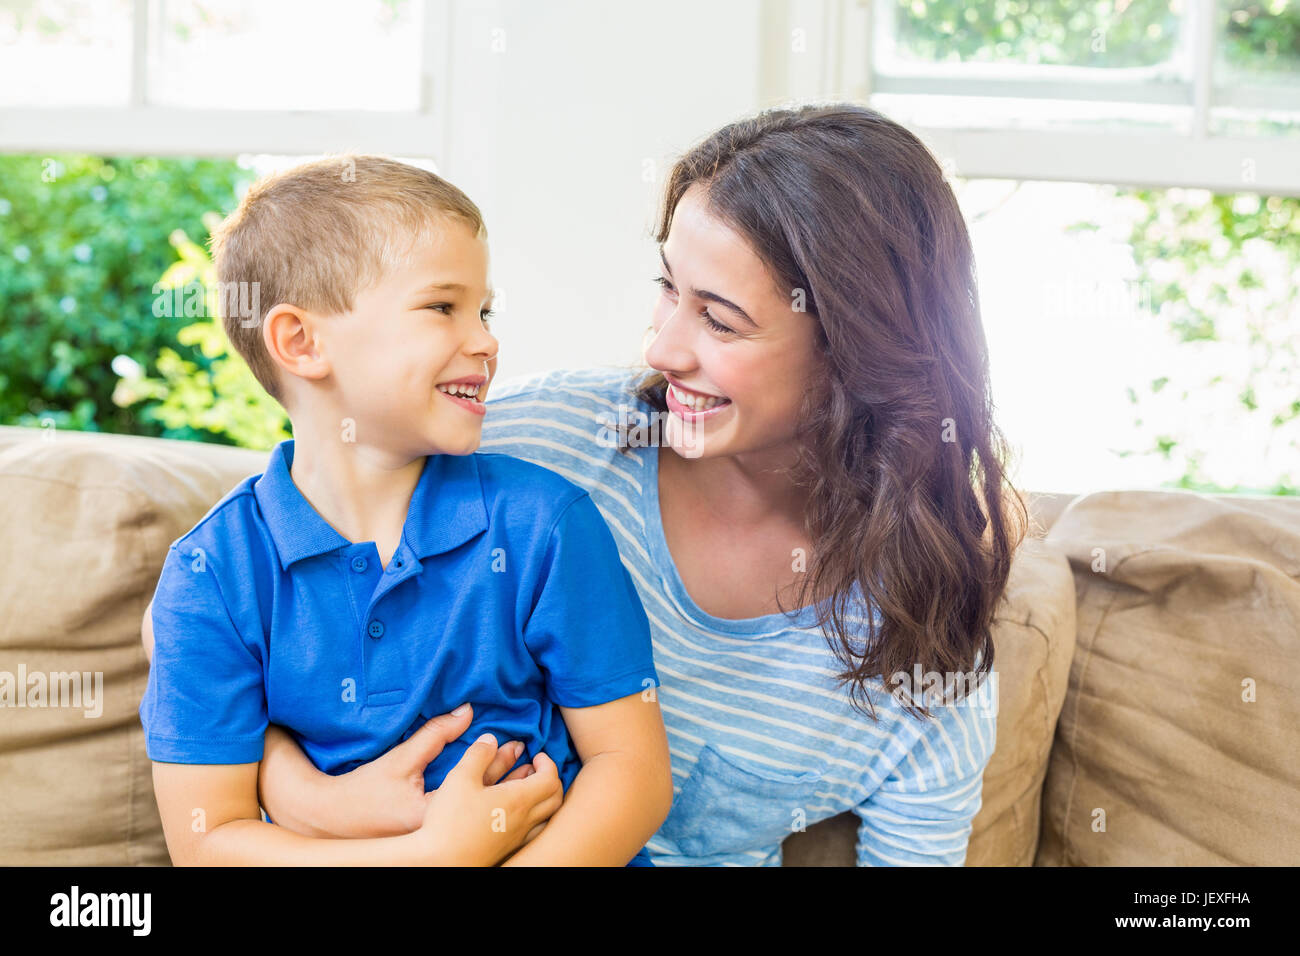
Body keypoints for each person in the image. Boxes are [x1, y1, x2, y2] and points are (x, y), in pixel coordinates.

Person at [256, 104, 1029, 865]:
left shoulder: (923, 643)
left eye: (720, 322)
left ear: (858, 351)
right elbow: (241, 601)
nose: (662, 349)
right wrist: (306, 797)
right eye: (668, 289)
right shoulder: (535, 448)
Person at [138, 154, 672, 866]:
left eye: (483, 311)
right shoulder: (213, 573)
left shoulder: (544, 524)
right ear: (302, 342)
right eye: (442, 307)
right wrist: (435, 857)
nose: (486, 340)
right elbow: (208, 843)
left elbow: (632, 775)